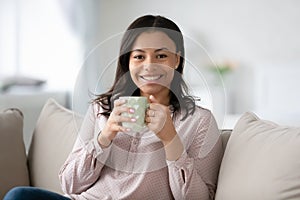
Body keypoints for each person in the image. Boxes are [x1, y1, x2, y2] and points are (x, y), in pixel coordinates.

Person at [4, 15, 223, 200]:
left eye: (161, 55)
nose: (149, 65)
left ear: (177, 60)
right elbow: (70, 185)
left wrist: (170, 138)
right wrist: (105, 136)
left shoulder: (199, 121)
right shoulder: (102, 109)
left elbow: (198, 197)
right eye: (139, 56)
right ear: (128, 62)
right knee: (19, 195)